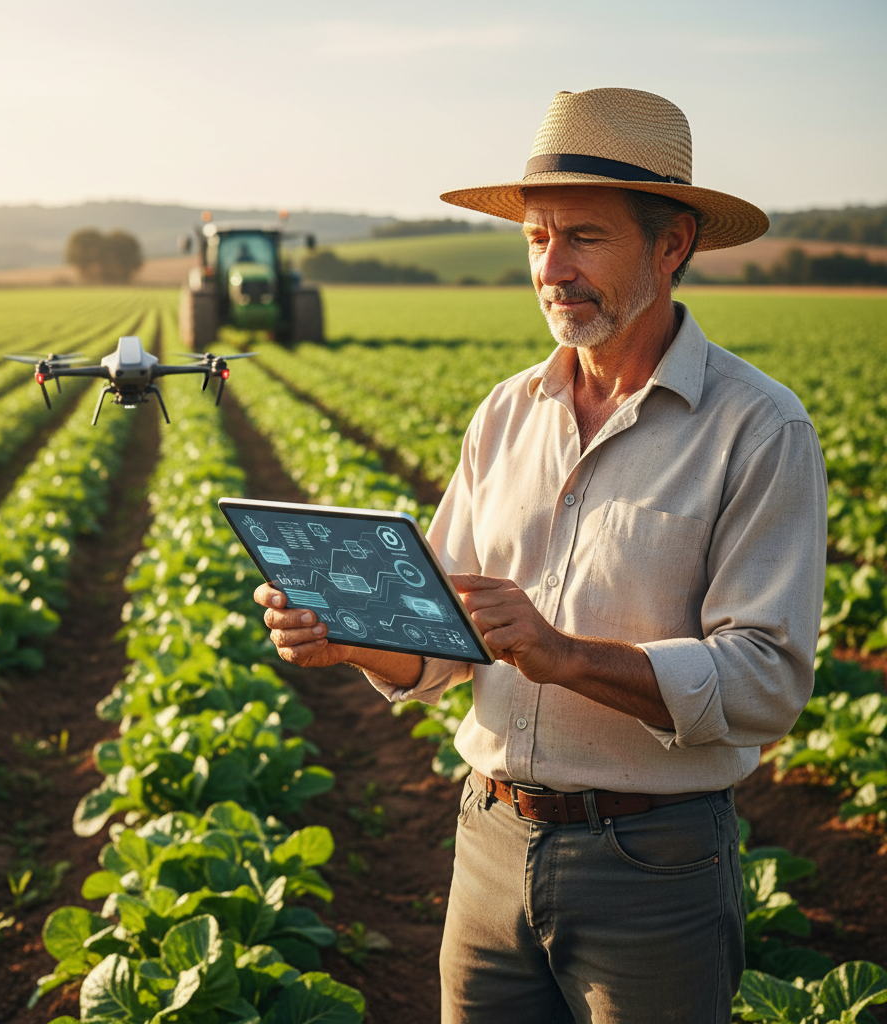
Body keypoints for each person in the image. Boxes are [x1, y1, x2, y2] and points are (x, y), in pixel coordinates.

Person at [253, 87, 828, 1023]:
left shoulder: (758, 429)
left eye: (584, 237)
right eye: (536, 238)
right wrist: (349, 637)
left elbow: (768, 681)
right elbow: (441, 645)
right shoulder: (506, 412)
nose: (551, 268)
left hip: (653, 862)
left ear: (672, 243)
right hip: (486, 842)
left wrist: (564, 656)